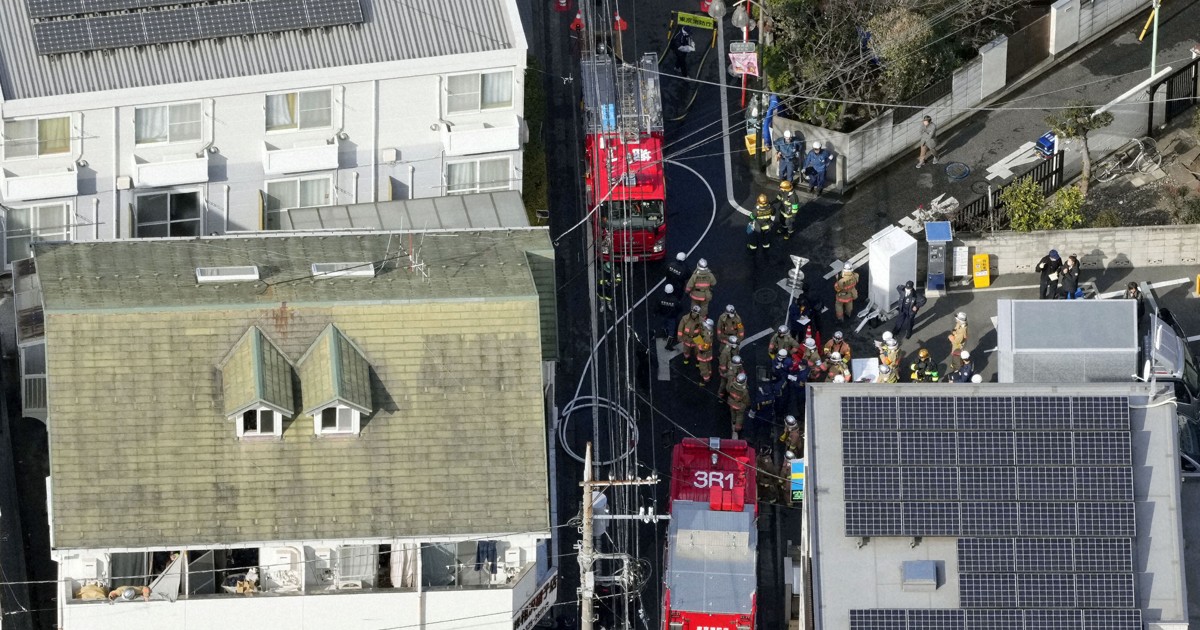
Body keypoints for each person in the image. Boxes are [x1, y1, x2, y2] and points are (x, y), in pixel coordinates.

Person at [726, 372, 750, 439]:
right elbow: (747, 400)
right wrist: (747, 405)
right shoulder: (744, 391)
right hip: (740, 405)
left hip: (731, 402)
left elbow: (728, 389)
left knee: (732, 412)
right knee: (740, 417)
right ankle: (737, 428)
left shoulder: (732, 384)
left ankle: (733, 421)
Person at [695, 319, 716, 383]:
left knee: (703, 367)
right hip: (708, 354)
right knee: (708, 365)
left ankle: (705, 379)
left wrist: (698, 340)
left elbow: (704, 348)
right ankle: (709, 374)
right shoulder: (709, 331)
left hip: (704, 355)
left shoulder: (707, 337)